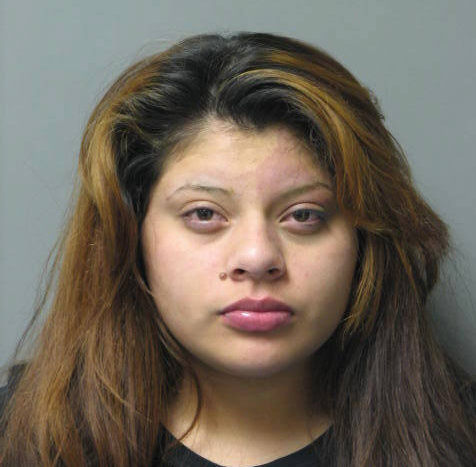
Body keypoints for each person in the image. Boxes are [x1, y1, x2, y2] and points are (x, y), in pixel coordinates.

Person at [0, 32, 475, 467]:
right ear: (134, 236)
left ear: (364, 244)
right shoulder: (23, 438)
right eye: (204, 213)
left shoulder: (461, 439)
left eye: (303, 215)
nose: (257, 257)